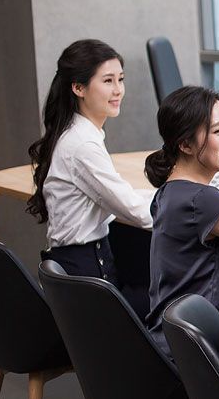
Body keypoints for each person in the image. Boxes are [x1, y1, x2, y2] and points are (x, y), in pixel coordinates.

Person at [27, 39, 152, 289]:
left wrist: (163, 197)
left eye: (121, 79)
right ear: (78, 88)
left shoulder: (76, 133)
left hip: (77, 263)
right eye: (108, 81)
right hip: (85, 270)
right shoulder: (82, 144)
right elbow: (135, 211)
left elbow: (119, 196)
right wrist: (188, 216)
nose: (118, 90)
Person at [142, 86, 219, 351]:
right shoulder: (202, 200)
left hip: (170, 339)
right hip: (198, 348)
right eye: (218, 131)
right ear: (185, 144)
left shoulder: (169, 191)